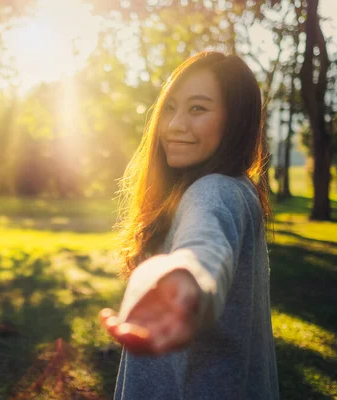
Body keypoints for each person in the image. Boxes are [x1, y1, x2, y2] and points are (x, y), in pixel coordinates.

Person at [99, 52, 279, 399]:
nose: (175, 125)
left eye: (197, 109)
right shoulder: (240, 187)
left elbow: (205, 242)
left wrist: (187, 275)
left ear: (236, 121)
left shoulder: (214, 191)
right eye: (170, 107)